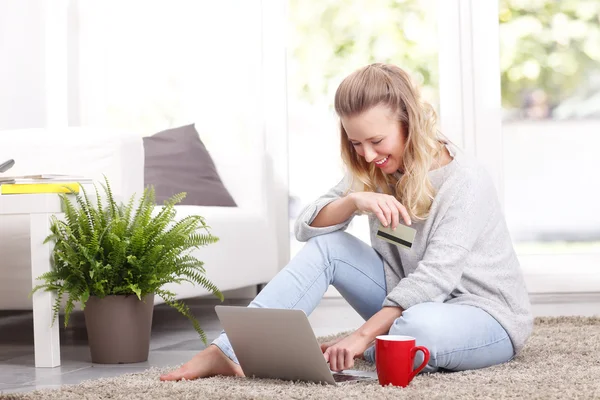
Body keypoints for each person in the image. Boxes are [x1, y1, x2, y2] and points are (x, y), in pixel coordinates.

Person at [160, 63, 533, 381]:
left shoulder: (464, 180)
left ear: (409, 122)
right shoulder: (376, 167)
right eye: (356, 143)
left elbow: (437, 276)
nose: (368, 154)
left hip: (483, 314)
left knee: (413, 329)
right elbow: (306, 228)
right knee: (328, 248)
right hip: (406, 298)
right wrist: (354, 201)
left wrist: (359, 337)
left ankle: (374, 345)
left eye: (376, 140)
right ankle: (227, 350)